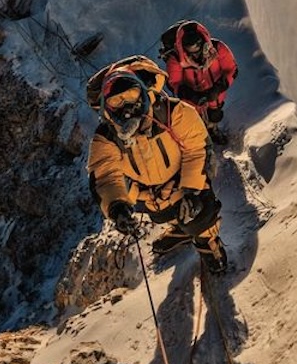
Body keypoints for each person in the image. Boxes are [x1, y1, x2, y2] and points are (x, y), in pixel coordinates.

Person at [86, 54, 227, 274]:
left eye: (131, 96)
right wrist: (117, 207)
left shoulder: (172, 112)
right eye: (116, 101)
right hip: (149, 195)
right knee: (164, 215)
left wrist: (192, 189)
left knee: (199, 215)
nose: (126, 107)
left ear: (142, 93)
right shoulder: (107, 137)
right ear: (107, 107)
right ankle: (180, 228)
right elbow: (105, 175)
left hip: (182, 183)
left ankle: (208, 243)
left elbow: (197, 148)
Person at [158, 20, 238, 142]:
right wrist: (190, 95)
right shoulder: (176, 59)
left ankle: (212, 129)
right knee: (194, 118)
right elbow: (173, 82)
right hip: (191, 96)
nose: (195, 54)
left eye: (197, 48)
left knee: (215, 113)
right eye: (190, 50)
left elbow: (231, 69)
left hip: (215, 90)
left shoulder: (218, 48)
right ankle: (200, 140)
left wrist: (219, 87)